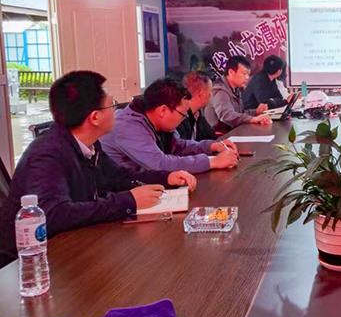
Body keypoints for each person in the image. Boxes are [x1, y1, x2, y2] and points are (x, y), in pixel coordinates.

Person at [0, 71, 197, 267]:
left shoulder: (90, 144)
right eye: (112, 105)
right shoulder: (47, 154)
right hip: (27, 264)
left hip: (76, 248)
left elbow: (118, 177)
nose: (117, 110)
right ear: (95, 117)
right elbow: (54, 215)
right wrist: (128, 201)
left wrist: (166, 177)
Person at [102, 78, 238, 175]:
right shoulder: (128, 127)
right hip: (121, 192)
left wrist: (211, 146)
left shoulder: (154, 119)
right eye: (182, 114)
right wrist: (212, 161)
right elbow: (159, 164)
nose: (184, 118)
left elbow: (178, 145)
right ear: (163, 110)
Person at [205, 56, 272, 133]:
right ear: (231, 72)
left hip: (233, 131)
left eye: (248, 74)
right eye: (244, 74)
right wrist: (252, 119)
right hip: (220, 135)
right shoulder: (220, 90)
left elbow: (239, 113)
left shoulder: (236, 89)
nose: (247, 78)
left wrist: (256, 112)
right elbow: (226, 115)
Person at [177, 71, 217, 141]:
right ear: (201, 94)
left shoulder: (197, 113)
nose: (211, 95)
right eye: (209, 91)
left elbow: (211, 136)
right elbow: (181, 146)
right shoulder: (179, 119)